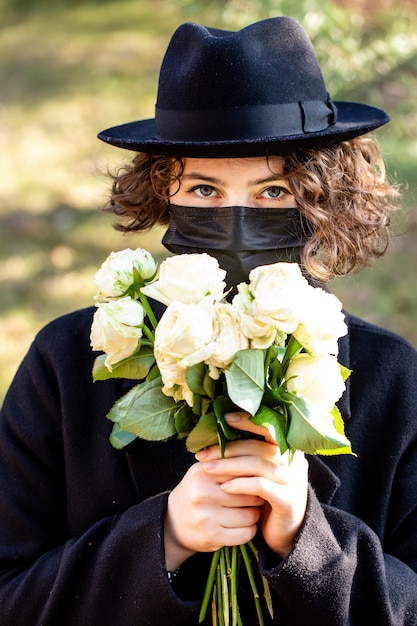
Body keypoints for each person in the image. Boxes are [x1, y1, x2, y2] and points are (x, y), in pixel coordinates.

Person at [0, 16, 416, 626]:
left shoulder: (392, 377)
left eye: (274, 191)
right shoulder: (67, 362)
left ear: (322, 196)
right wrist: (160, 539)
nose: (239, 220)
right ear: (161, 190)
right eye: (203, 189)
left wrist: (307, 540)